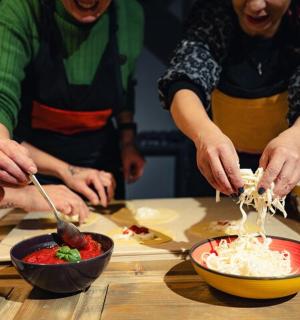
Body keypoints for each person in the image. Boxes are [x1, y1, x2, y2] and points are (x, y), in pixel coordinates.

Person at [0, 0, 145, 207]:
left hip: (100, 162)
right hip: (33, 166)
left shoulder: (130, 13)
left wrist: (128, 142)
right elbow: (2, 95)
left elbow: (125, 86)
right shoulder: (20, 8)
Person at [158, 0, 300, 198]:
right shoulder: (213, 15)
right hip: (219, 169)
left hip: (292, 169)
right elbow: (183, 80)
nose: (254, 6)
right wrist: (204, 136)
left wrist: (296, 137)